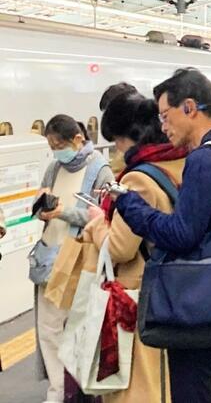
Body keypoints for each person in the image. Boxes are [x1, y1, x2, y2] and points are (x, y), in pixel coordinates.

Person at [111, 68, 211, 403]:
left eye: (166, 116)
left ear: (189, 108)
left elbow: (182, 234)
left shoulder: (203, 160)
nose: (162, 127)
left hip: (201, 308)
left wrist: (131, 205)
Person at [84, 93, 186, 402]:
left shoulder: (138, 179)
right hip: (174, 291)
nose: (116, 150)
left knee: (138, 388)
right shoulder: (180, 162)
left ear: (131, 136)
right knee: (165, 382)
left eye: (116, 141)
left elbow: (120, 248)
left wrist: (97, 223)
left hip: (137, 297)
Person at [35, 114, 113, 403]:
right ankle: (57, 393)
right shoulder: (54, 168)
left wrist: (63, 212)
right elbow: (43, 201)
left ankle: (81, 392)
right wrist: (41, 208)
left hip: (81, 261)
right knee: (50, 331)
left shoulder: (100, 170)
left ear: (78, 139)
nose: (56, 150)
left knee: (80, 332)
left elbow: (103, 215)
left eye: (59, 144)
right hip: (50, 260)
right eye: (51, 145)